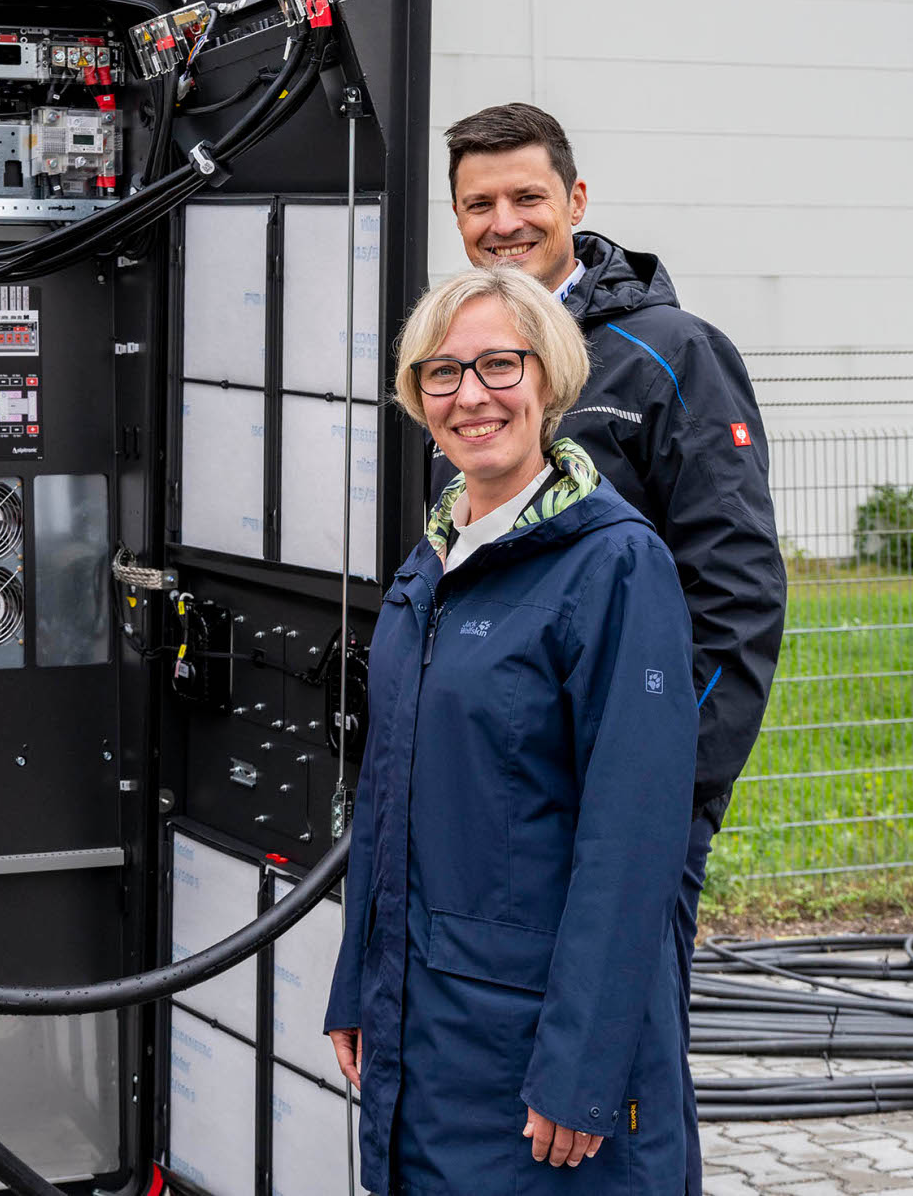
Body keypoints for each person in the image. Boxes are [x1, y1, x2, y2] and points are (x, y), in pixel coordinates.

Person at [443, 102, 787, 1192]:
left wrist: (666, 801)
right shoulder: (465, 357)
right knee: (517, 1086)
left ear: (576, 204)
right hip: (504, 818)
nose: (504, 221)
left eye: (525, 197)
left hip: (627, 816)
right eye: (479, 203)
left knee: (622, 1078)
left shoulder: (669, 356)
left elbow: (738, 600)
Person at [324, 266, 698, 1193]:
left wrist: (584, 1070)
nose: (472, 395)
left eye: (499, 364)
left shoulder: (613, 566)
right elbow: (385, 795)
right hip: (425, 1026)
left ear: (551, 379)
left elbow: (633, 839)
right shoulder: (431, 567)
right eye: (442, 373)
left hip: (534, 1044)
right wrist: (356, 984)